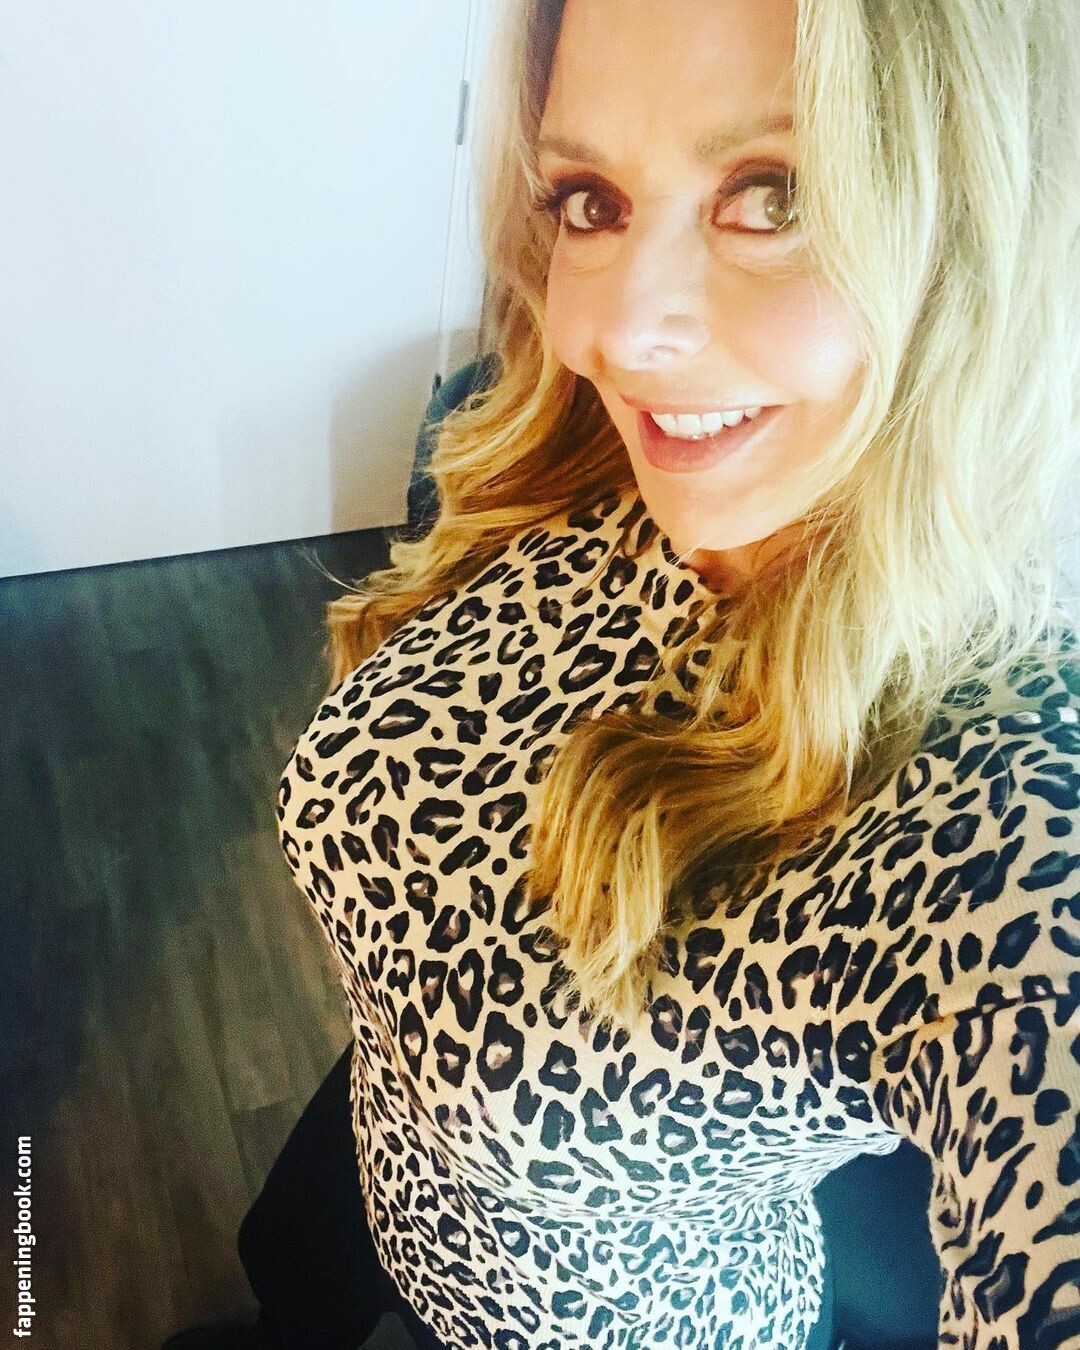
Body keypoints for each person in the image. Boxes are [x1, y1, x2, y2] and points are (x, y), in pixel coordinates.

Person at [168, 0, 1080, 1345]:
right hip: (376, 1149)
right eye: (590, 199)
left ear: (980, 224)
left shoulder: (1002, 811)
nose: (618, 331)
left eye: (773, 194)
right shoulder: (576, 455)